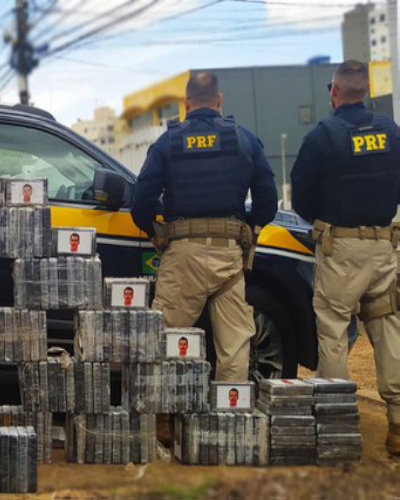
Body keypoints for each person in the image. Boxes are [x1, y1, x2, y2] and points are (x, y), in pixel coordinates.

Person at [131, 71, 277, 382]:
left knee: (166, 340)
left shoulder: (168, 142)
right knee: (235, 345)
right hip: (229, 257)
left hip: (183, 256)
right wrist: (248, 227)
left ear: (186, 103)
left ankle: (164, 422)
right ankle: (230, 417)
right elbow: (268, 202)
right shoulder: (244, 139)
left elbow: (141, 200)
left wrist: (154, 231)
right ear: (219, 101)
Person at [291, 60, 400, 455]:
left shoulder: (322, 136)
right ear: (367, 91)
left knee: (334, 331)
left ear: (334, 92)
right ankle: (398, 425)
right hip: (384, 248)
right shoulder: (392, 132)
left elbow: (301, 198)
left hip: (340, 251)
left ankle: (339, 426)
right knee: (388, 330)